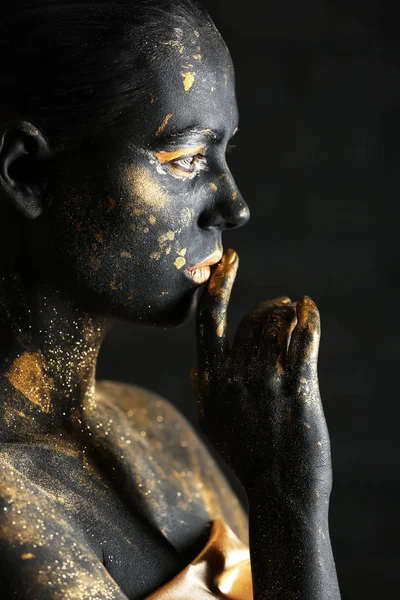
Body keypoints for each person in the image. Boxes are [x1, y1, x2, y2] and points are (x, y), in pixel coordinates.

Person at [0, 1, 341, 598]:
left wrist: (283, 491)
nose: (234, 207)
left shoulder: (156, 427)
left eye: (224, 153)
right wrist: (287, 508)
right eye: (185, 159)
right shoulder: (11, 506)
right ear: (29, 173)